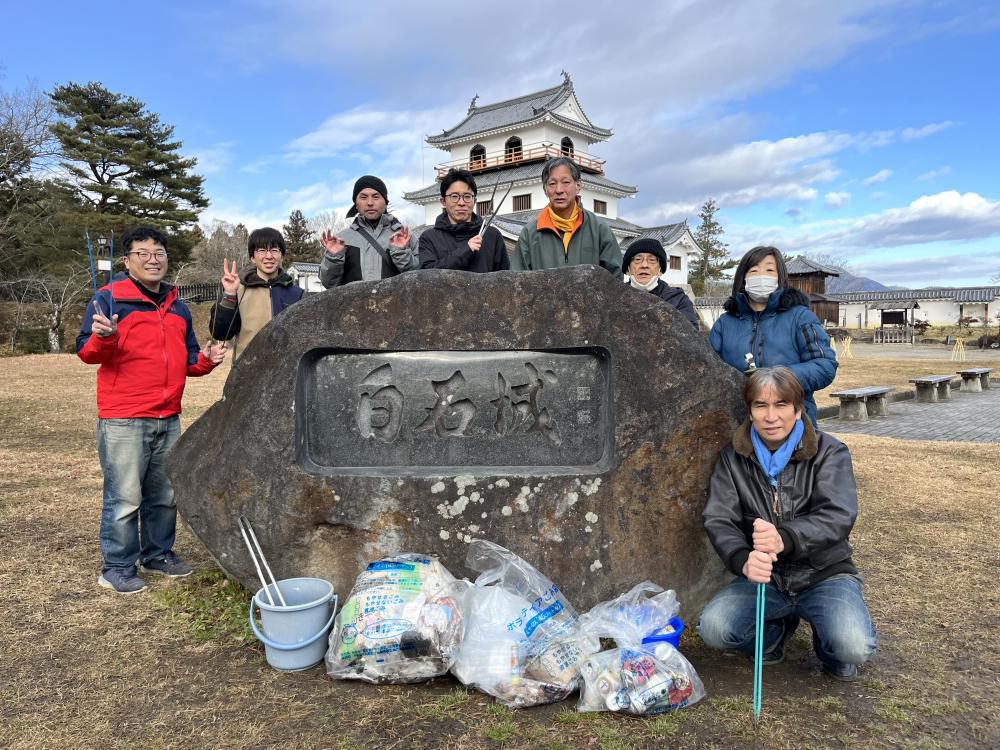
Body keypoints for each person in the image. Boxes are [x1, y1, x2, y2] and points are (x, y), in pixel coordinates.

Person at [697, 366, 876, 682]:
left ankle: (829, 644)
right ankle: (773, 635)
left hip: (824, 573)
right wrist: (742, 560)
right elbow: (719, 518)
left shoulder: (829, 451)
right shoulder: (733, 456)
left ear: (797, 409)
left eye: (781, 405)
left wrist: (786, 538)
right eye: (760, 405)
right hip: (768, 577)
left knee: (852, 647)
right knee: (714, 628)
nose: (770, 416)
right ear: (749, 411)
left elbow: (838, 515)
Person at [77, 226, 226, 594]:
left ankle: (157, 554)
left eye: (158, 252)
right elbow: (86, 353)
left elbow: (188, 359)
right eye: (142, 253)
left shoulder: (177, 306)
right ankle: (117, 566)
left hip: (168, 415)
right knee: (125, 496)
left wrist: (206, 360)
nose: (152, 259)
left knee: (164, 494)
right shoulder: (108, 299)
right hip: (124, 416)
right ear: (126, 261)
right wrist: (102, 338)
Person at [708, 246, 836, 425]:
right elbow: (707, 369)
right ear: (743, 278)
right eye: (754, 270)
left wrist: (776, 379)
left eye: (769, 270)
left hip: (792, 421)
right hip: (736, 422)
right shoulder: (725, 323)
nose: (761, 276)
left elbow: (824, 366)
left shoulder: (800, 317)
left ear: (779, 277)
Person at [510, 157, 621, 277]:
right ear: (545, 190)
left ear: (578, 186)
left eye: (565, 182)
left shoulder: (599, 229)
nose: (559, 190)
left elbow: (614, 280)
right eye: (552, 183)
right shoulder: (530, 234)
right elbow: (517, 281)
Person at [208, 227, 304, 359]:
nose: (268, 256)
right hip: (246, 371)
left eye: (274, 250)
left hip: (286, 371)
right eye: (262, 250)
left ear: (282, 256)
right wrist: (229, 294)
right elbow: (220, 333)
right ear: (252, 257)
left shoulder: (297, 294)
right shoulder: (238, 290)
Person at [319, 175, 418, 287]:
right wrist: (334, 258)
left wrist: (401, 253)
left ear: (385, 202)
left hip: (396, 303)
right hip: (354, 303)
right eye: (363, 197)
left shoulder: (405, 236)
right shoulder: (342, 239)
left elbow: (419, 278)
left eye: (376, 197)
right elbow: (329, 284)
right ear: (356, 204)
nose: (370, 203)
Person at [418, 168, 509, 272]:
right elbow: (427, 276)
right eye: (454, 196)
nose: (461, 203)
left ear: (474, 201)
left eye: (467, 196)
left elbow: (504, 278)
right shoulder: (429, 238)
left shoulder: (492, 235)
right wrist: (466, 250)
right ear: (443, 201)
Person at [622, 238, 699, 327]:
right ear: (628, 268)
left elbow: (690, 334)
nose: (644, 265)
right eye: (638, 259)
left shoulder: (678, 300)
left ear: (660, 270)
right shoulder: (615, 296)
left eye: (652, 260)